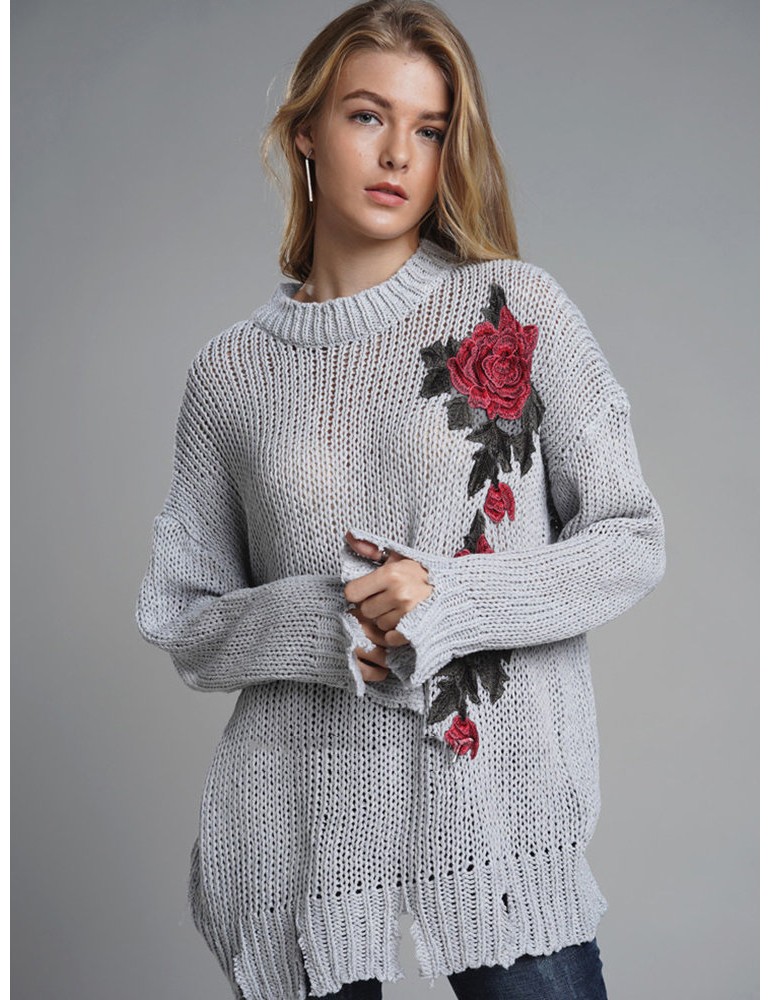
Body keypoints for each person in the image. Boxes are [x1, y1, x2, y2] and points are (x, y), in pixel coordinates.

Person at [135, 1, 666, 998]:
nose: (397, 155)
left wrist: (449, 600)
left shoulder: (515, 307)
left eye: (428, 129)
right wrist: (330, 619)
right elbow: (185, 618)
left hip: (497, 823)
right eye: (367, 116)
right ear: (306, 129)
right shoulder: (229, 375)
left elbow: (631, 537)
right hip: (300, 837)